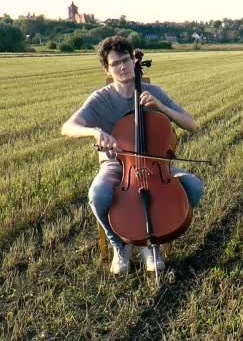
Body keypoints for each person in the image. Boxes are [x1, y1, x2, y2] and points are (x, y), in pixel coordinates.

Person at [61, 36, 204, 274]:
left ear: (134, 62)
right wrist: (95, 132)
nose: (123, 66)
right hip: (118, 165)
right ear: (106, 68)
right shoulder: (101, 98)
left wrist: (161, 107)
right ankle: (120, 245)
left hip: (155, 164)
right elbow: (68, 127)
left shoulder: (153, 92)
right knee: (98, 194)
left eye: (126, 60)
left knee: (194, 187)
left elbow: (191, 124)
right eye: (115, 63)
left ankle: (152, 242)